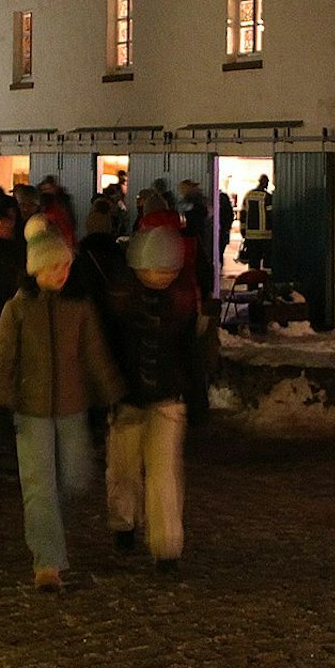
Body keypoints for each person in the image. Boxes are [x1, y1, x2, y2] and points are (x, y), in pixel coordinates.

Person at [0, 219, 125, 591]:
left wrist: (112, 394)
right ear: (36, 269)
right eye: (54, 266)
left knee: (76, 477)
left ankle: (49, 528)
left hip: (71, 406)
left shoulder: (78, 308)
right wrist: (0, 403)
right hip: (30, 409)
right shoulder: (17, 310)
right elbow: (3, 359)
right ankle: (47, 562)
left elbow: (94, 355)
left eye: (66, 265)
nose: (63, 272)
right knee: (39, 486)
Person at [106, 225, 207, 573]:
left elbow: (191, 353)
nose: (161, 277)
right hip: (127, 399)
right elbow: (108, 351)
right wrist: (109, 393)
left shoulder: (180, 303)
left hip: (167, 398)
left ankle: (167, 548)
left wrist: (196, 398)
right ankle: (123, 523)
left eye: (168, 271)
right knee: (124, 469)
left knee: (164, 474)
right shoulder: (119, 300)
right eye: (155, 270)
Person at [240, 175, 274, 270]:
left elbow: (243, 214)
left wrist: (243, 230)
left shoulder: (248, 195)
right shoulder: (267, 197)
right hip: (266, 236)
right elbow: (270, 215)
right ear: (266, 183)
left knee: (253, 263)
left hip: (251, 236)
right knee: (267, 264)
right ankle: (266, 283)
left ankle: (252, 284)